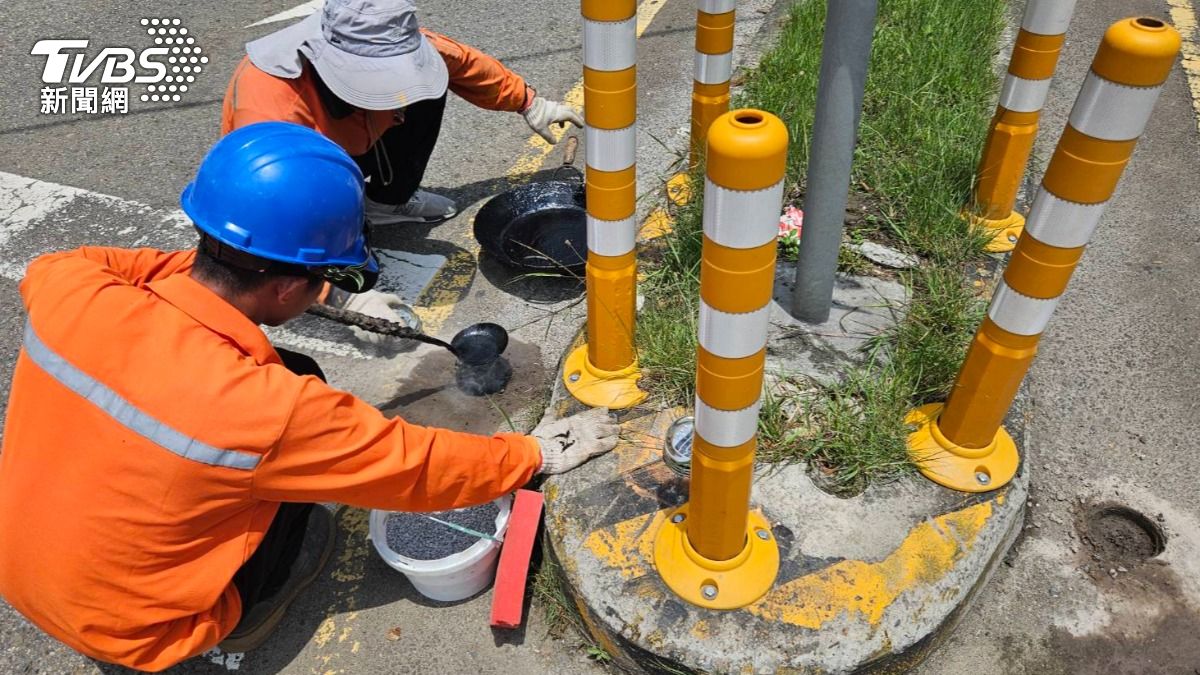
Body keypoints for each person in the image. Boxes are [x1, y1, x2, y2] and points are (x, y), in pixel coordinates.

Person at [0, 123, 616, 672]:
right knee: (306, 480)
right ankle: (251, 609)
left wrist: (322, 294)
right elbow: (417, 465)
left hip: (25, 576)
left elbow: (93, 266)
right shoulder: (267, 411)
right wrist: (537, 452)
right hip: (145, 631)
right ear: (287, 284)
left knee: (291, 365)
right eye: (328, 276)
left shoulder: (73, 290)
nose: (330, 287)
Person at [222, 0, 582, 340]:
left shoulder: (378, 37)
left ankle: (387, 202)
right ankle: (346, 223)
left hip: (352, 141)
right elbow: (272, 217)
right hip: (301, 180)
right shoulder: (274, 113)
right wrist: (342, 296)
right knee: (344, 261)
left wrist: (528, 101)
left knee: (430, 87)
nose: (396, 103)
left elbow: (461, 62)